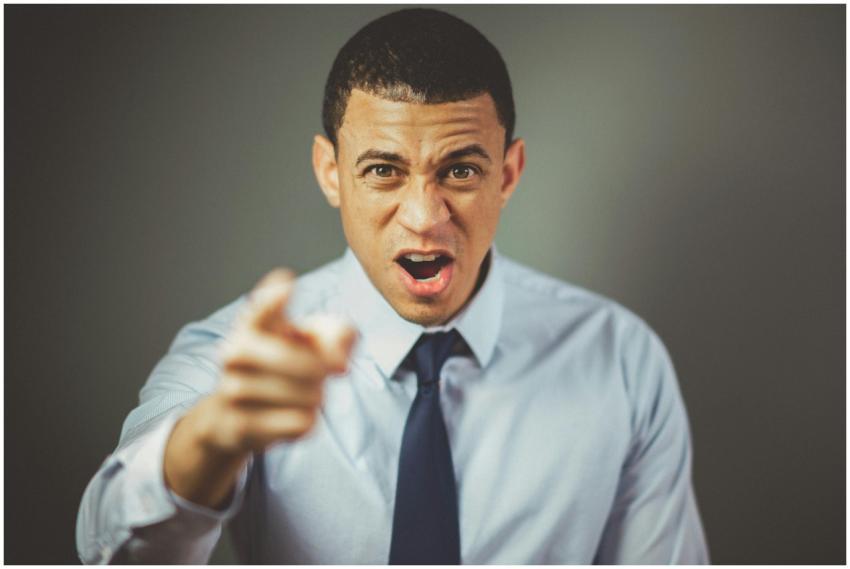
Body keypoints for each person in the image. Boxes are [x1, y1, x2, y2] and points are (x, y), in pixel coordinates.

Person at [76, 8, 709, 564]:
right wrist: (213, 439)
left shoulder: (621, 359)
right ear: (331, 173)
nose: (425, 216)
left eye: (460, 169)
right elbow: (114, 553)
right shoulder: (241, 360)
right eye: (383, 170)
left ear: (508, 174)